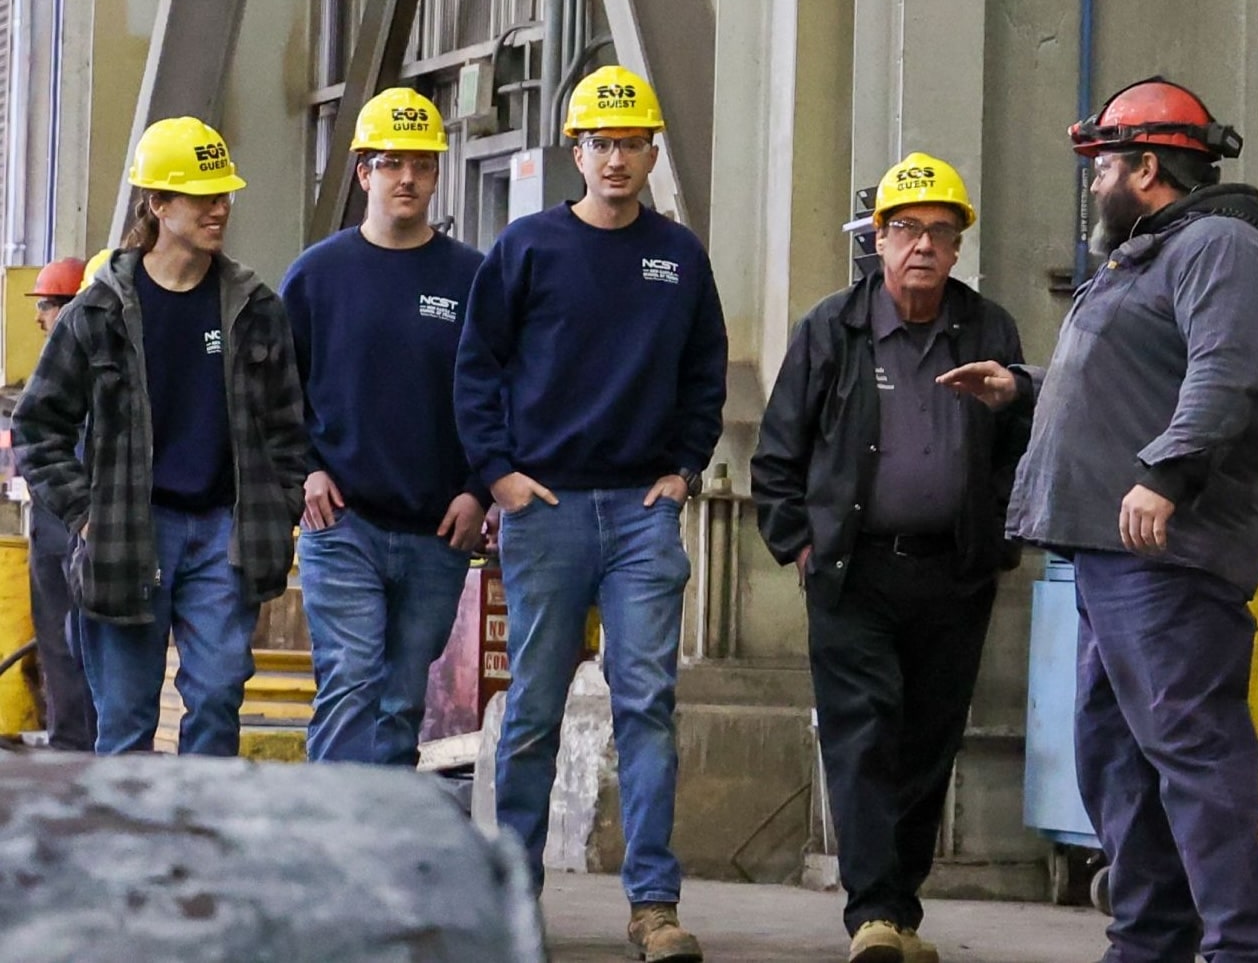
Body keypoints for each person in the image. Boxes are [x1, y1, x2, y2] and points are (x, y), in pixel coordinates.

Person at [941, 77, 1258, 963]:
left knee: (1192, 757)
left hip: (1167, 555)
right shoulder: (1152, 255)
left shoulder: (1219, 245)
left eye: (1102, 167)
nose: (1093, 186)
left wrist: (1164, 474)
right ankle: (1149, 941)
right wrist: (1025, 389)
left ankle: (1239, 945)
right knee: (1118, 764)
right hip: (1108, 555)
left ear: (1147, 168)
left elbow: (1225, 372)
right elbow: (1131, 388)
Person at [455, 65, 727, 963]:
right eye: (599, 143)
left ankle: (654, 906)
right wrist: (497, 474)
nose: (615, 158)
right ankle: (514, 898)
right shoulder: (527, 248)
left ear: (652, 153)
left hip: (643, 513)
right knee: (531, 708)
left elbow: (704, 371)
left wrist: (685, 467)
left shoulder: (679, 257)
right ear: (575, 151)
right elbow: (478, 367)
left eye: (630, 143)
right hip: (547, 509)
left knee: (646, 703)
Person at [751, 154, 1030, 963]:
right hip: (852, 571)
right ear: (877, 239)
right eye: (905, 229)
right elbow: (777, 453)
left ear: (956, 247)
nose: (922, 247)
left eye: (940, 233)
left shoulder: (989, 328)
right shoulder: (829, 329)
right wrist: (797, 542)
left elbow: (1017, 444)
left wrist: (1000, 536)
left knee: (928, 742)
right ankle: (870, 910)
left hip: (954, 572)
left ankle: (898, 914)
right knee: (863, 733)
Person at [12, 118, 307, 755]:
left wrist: (275, 507)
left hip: (222, 537)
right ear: (159, 205)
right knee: (123, 719)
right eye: (203, 197)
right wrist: (88, 516)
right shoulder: (98, 312)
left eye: (223, 196)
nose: (220, 209)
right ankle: (129, 853)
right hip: (127, 535)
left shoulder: (254, 309)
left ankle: (198, 849)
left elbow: (288, 426)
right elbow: (38, 426)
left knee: (219, 698)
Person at [280, 87, 486, 765]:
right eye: (391, 162)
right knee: (350, 680)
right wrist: (304, 469)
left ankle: (381, 844)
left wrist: (476, 490)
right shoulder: (316, 277)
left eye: (421, 164)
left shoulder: (471, 280)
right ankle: (333, 849)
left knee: (401, 698)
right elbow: (273, 395)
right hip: (344, 523)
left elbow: (498, 393)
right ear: (363, 171)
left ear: (436, 173)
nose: (407, 177)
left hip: (437, 527)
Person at [21, 256, 95, 751]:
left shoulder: (76, 375)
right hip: (69, 523)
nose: (39, 318)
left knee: (69, 640)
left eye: (46, 305)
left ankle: (74, 744)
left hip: (66, 527)